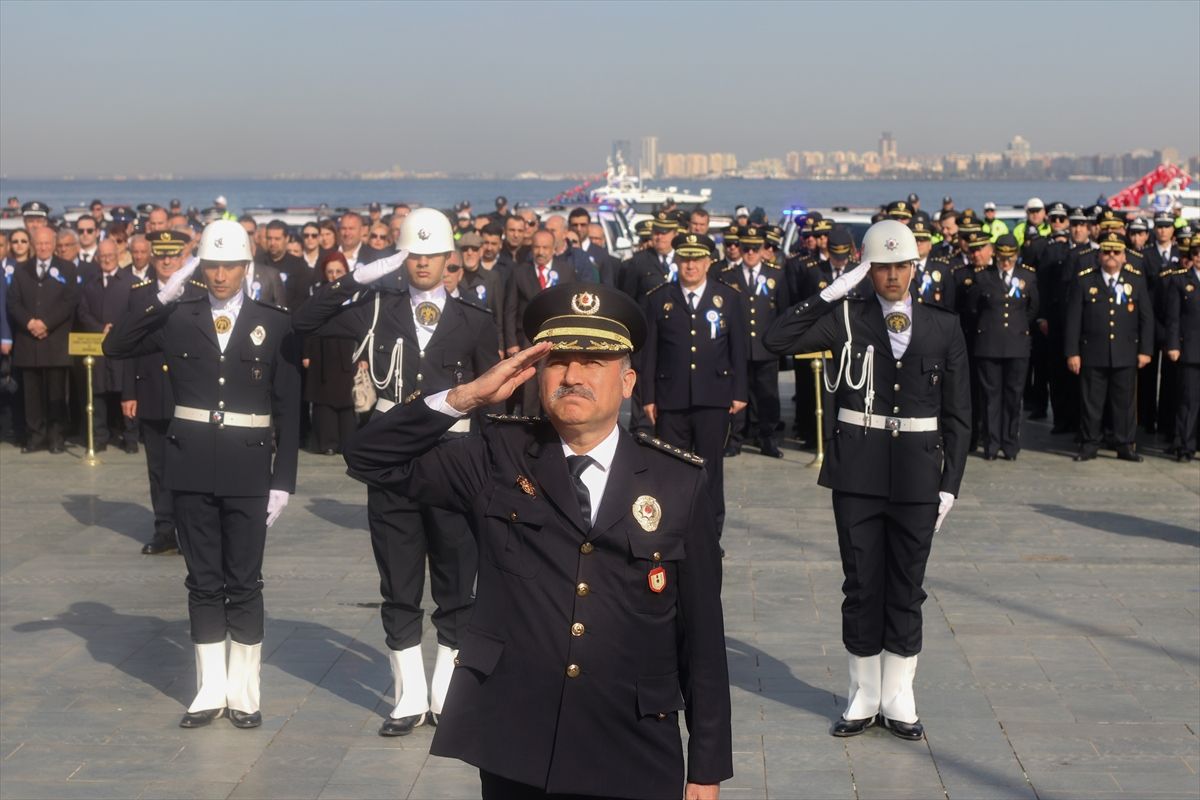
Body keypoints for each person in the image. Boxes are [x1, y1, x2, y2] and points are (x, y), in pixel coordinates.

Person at [343, 282, 732, 800]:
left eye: (593, 361)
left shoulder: (677, 482)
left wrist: (706, 768)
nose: (572, 376)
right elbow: (369, 458)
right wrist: (463, 398)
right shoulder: (498, 456)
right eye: (556, 361)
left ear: (628, 380)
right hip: (517, 740)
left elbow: (702, 635)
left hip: (632, 742)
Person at [292, 207, 499, 736]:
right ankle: (408, 697)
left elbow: (492, 405)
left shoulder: (475, 320)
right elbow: (304, 321)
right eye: (414, 255)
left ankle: (447, 694)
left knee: (457, 585)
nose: (423, 264)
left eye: (431, 255)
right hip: (394, 466)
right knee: (400, 583)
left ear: (449, 258)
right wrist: (360, 275)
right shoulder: (377, 309)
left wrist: (493, 473)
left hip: (454, 466)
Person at [764, 220, 970, 741]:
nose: (893, 276)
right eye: (882, 267)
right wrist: (835, 290)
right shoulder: (848, 321)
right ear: (868, 270)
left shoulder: (943, 326)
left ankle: (900, 694)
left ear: (914, 268)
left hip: (920, 476)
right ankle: (864, 693)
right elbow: (774, 338)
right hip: (858, 474)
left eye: (901, 266)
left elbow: (960, 416)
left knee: (906, 586)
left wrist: (951, 485)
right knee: (860, 583)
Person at [103, 219, 300, 728]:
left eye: (230, 265)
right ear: (201, 268)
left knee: (245, 581)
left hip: (249, 466)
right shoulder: (178, 315)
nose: (220, 276)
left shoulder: (273, 322)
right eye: (211, 266)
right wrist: (163, 296)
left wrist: (284, 480)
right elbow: (116, 346)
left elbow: (289, 408)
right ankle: (210, 690)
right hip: (189, 465)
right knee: (203, 581)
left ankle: (246, 693)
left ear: (245, 266)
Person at [638, 233, 746, 544]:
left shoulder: (727, 298)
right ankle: (675, 530)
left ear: (709, 261)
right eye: (685, 258)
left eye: (697, 259)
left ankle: (710, 534)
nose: (691, 265)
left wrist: (739, 392)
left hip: (714, 396)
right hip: (671, 398)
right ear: (676, 260)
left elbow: (738, 349)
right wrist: (649, 397)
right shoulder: (660, 298)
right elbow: (650, 354)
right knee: (673, 467)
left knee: (711, 467)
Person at [122, 231, 204, 553]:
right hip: (153, 388)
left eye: (173, 255)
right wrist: (129, 392)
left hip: (188, 392)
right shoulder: (139, 294)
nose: (167, 261)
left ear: (183, 257)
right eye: (161, 255)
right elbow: (129, 345)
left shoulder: (197, 291)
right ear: (153, 258)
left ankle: (190, 532)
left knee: (190, 465)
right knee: (158, 466)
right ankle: (164, 529)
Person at [1065, 231, 1154, 462]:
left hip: (1125, 352)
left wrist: (1146, 350)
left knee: (1124, 404)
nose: (1111, 256)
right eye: (1107, 252)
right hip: (1092, 352)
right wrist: (1072, 352)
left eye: (1116, 252)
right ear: (1099, 256)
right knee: (1091, 402)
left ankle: (1125, 444)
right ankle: (1089, 444)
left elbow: (1146, 318)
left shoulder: (1135, 280)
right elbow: (1074, 319)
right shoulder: (1085, 280)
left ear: (1125, 256)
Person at [7, 226, 78, 453]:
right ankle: (35, 436)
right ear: (33, 245)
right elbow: (13, 302)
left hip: (54, 340)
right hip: (29, 342)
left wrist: (46, 323)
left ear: (54, 244)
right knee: (32, 395)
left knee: (56, 394)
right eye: (39, 244)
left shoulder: (66, 268)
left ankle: (56, 437)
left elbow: (69, 302)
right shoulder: (21, 269)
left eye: (47, 243)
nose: (44, 247)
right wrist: (29, 323)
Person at [968, 234, 1039, 461]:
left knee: (1013, 396)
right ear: (996, 255)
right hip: (989, 344)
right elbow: (973, 309)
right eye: (1002, 257)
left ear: (1016, 256)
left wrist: (1016, 328)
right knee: (990, 396)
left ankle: (1010, 443)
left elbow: (1032, 308)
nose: (1006, 262)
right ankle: (991, 443)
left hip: (1017, 345)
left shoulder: (1027, 276)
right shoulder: (983, 278)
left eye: (1010, 258)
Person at [720, 225, 788, 458]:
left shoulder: (776, 274)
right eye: (746, 248)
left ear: (762, 249)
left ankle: (767, 438)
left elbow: (783, 312)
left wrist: (779, 344)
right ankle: (735, 439)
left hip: (765, 347)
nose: (750, 253)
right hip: (738, 348)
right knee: (738, 394)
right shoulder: (728, 276)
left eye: (754, 248)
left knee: (767, 396)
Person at [76, 239, 136, 452]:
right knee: (98, 391)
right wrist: (101, 327)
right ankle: (100, 437)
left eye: (110, 255)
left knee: (126, 391)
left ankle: (130, 437)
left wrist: (117, 330)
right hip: (98, 346)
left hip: (123, 347)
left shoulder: (131, 281)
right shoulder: (90, 283)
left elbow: (136, 313)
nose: (107, 259)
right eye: (102, 256)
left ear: (118, 255)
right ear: (97, 258)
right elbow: (82, 312)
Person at [302, 252, 358, 455]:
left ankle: (347, 442)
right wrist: (306, 353)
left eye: (339, 271)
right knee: (323, 401)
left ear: (346, 271)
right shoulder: (318, 293)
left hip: (348, 350)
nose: (334, 275)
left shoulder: (356, 292)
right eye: (330, 271)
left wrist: (363, 357)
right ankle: (327, 443)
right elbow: (308, 322)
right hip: (322, 352)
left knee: (347, 401)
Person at [1165, 240, 1199, 461]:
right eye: (1196, 253)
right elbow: (1173, 318)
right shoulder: (1180, 280)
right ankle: (1185, 445)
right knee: (1189, 400)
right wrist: (1174, 345)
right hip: (1191, 348)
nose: (1199, 257)